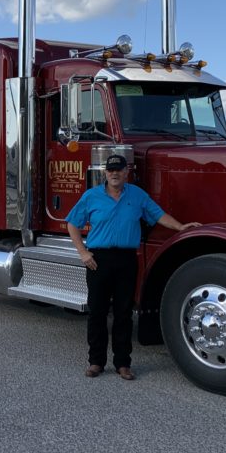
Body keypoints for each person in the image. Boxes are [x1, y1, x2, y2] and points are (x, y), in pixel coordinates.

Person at [65, 154, 200, 380]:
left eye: (119, 170)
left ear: (126, 172)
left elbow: (158, 215)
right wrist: (83, 252)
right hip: (98, 259)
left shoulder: (137, 195)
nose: (114, 173)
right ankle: (96, 362)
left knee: (124, 313)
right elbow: (72, 223)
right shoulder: (91, 196)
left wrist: (180, 227)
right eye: (111, 170)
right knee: (97, 312)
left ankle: (123, 363)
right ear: (105, 173)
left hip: (126, 259)